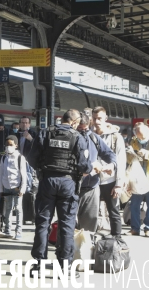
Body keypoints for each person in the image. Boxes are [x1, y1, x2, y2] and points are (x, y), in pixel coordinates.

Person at [28, 109, 92, 277]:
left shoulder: (45, 133)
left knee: (42, 224)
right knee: (67, 225)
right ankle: (65, 267)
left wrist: (43, 170)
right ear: (74, 121)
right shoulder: (78, 137)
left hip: (47, 182)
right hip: (68, 184)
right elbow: (85, 166)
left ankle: (38, 265)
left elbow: (32, 158)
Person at [76, 113, 117, 234]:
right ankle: (66, 249)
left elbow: (109, 154)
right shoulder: (70, 138)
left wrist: (111, 164)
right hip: (72, 187)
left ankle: (85, 247)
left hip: (91, 188)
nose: (84, 132)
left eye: (86, 129)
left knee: (89, 224)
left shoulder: (94, 138)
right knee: (69, 223)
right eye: (80, 129)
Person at [91, 107, 126, 237]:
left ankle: (117, 240)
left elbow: (121, 161)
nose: (96, 121)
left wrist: (119, 184)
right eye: (94, 118)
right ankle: (90, 240)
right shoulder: (89, 135)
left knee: (113, 212)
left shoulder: (116, 137)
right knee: (91, 212)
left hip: (110, 181)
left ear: (106, 119)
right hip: (93, 180)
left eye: (99, 118)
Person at [0, 135, 28, 240]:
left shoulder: (20, 158)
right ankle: (7, 230)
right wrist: (1, 189)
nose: (8, 147)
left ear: (16, 145)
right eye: (6, 145)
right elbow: (1, 174)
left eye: (10, 145)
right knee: (8, 209)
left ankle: (18, 231)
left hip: (17, 187)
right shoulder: (3, 157)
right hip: (6, 187)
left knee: (18, 209)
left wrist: (22, 189)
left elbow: (23, 175)